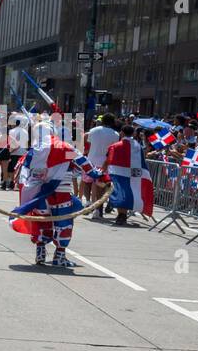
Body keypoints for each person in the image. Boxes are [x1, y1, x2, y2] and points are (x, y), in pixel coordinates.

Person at [9, 118, 103, 268]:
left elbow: (20, 174)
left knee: (42, 221)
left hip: (39, 194)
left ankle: (40, 253)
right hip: (61, 192)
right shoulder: (63, 148)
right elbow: (82, 161)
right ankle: (59, 256)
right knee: (63, 223)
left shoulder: (32, 152)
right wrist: (98, 175)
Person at [104, 123, 152, 226]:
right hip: (133, 174)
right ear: (133, 133)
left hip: (117, 173)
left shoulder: (114, 146)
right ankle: (122, 214)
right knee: (129, 193)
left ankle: (121, 215)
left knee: (119, 193)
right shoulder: (138, 146)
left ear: (121, 132)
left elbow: (108, 159)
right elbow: (142, 160)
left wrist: (103, 170)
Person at [85, 113, 118, 218]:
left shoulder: (93, 130)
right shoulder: (116, 134)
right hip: (105, 163)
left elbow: (89, 143)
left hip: (91, 161)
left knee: (87, 182)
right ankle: (98, 208)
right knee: (101, 186)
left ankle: (88, 202)